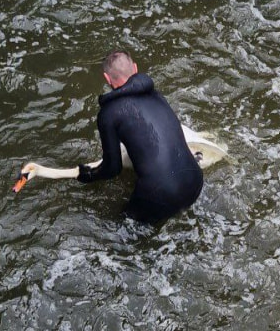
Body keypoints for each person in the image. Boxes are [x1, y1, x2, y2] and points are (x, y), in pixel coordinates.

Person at [77, 51, 203, 223]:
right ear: (135, 68)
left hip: (162, 195)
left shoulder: (109, 114)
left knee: (122, 229)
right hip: (195, 180)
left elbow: (113, 169)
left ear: (107, 78)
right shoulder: (156, 94)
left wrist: (89, 176)